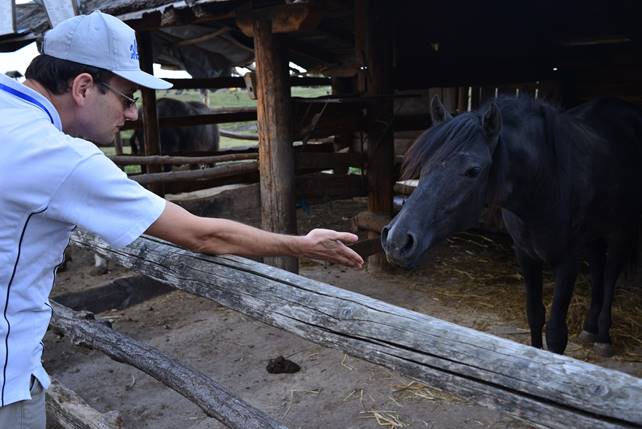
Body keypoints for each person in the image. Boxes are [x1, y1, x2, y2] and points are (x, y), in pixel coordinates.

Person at [0, 11, 363, 428]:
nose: (133, 114)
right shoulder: (59, 156)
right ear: (83, 87)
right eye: (126, 96)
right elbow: (200, 234)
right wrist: (302, 244)